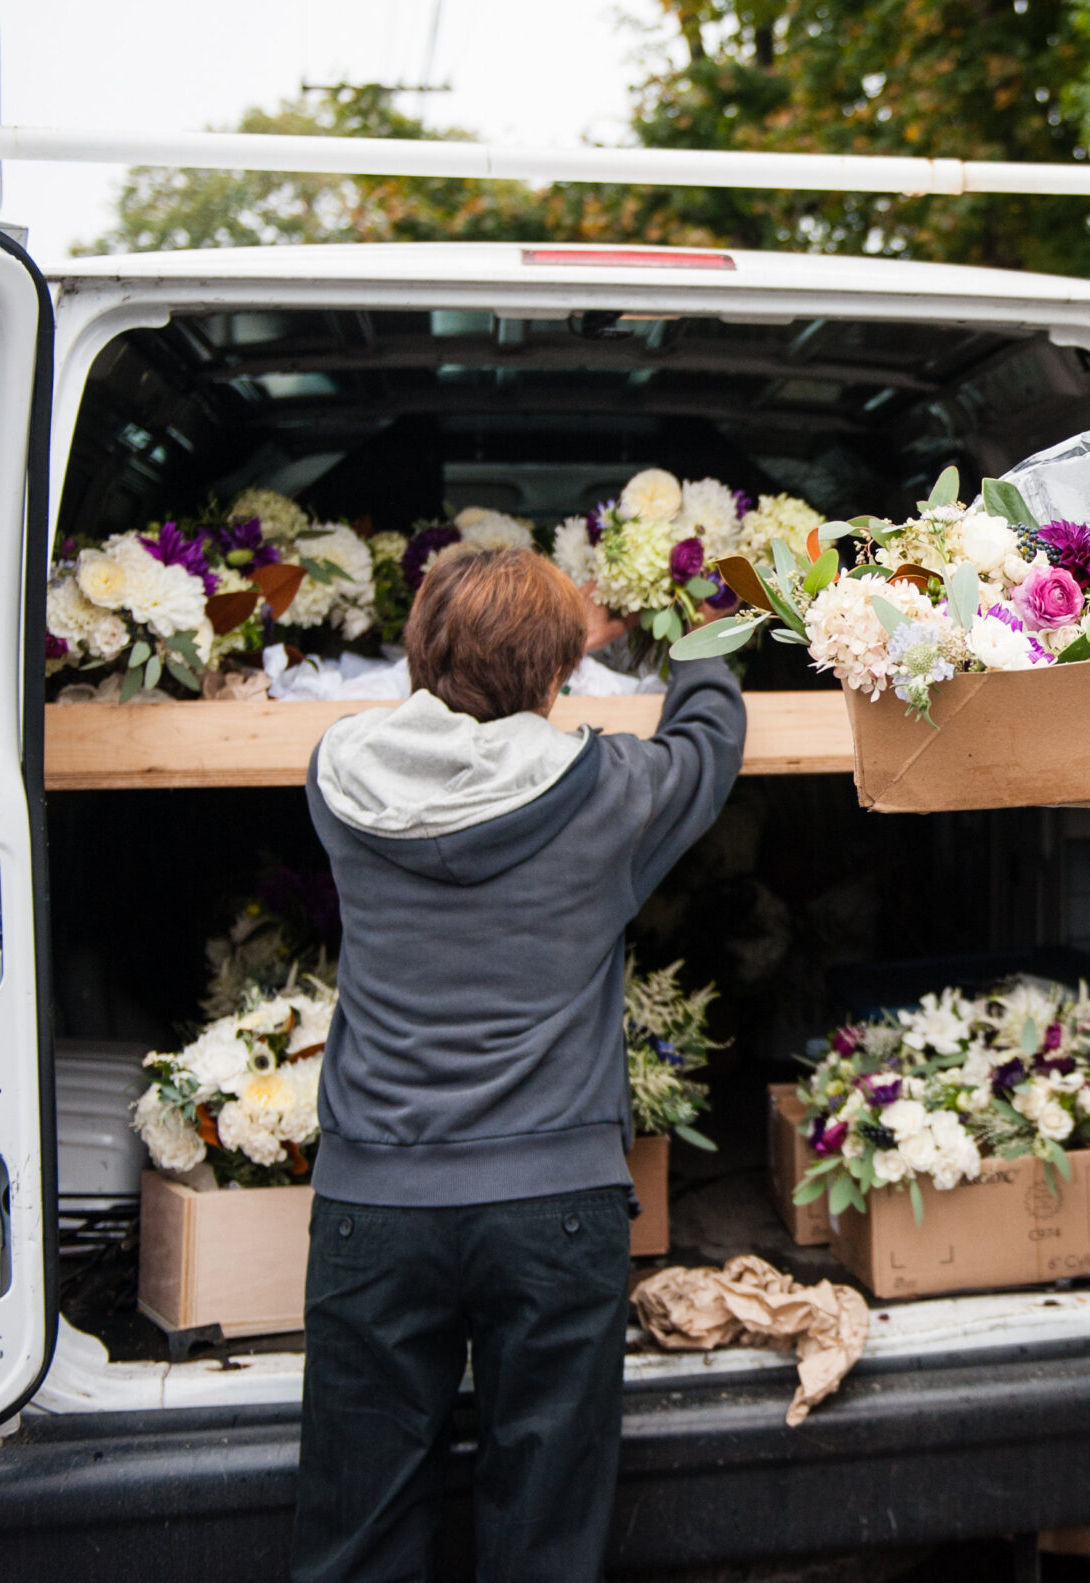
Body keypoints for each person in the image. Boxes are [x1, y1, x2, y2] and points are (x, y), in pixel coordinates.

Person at [290, 545, 744, 1583]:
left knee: (355, 1526)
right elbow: (709, 740)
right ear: (562, 674)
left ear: (413, 654)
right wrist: (697, 630)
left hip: (375, 1204)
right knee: (544, 1530)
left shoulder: (336, 775)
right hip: (555, 1208)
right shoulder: (613, 794)